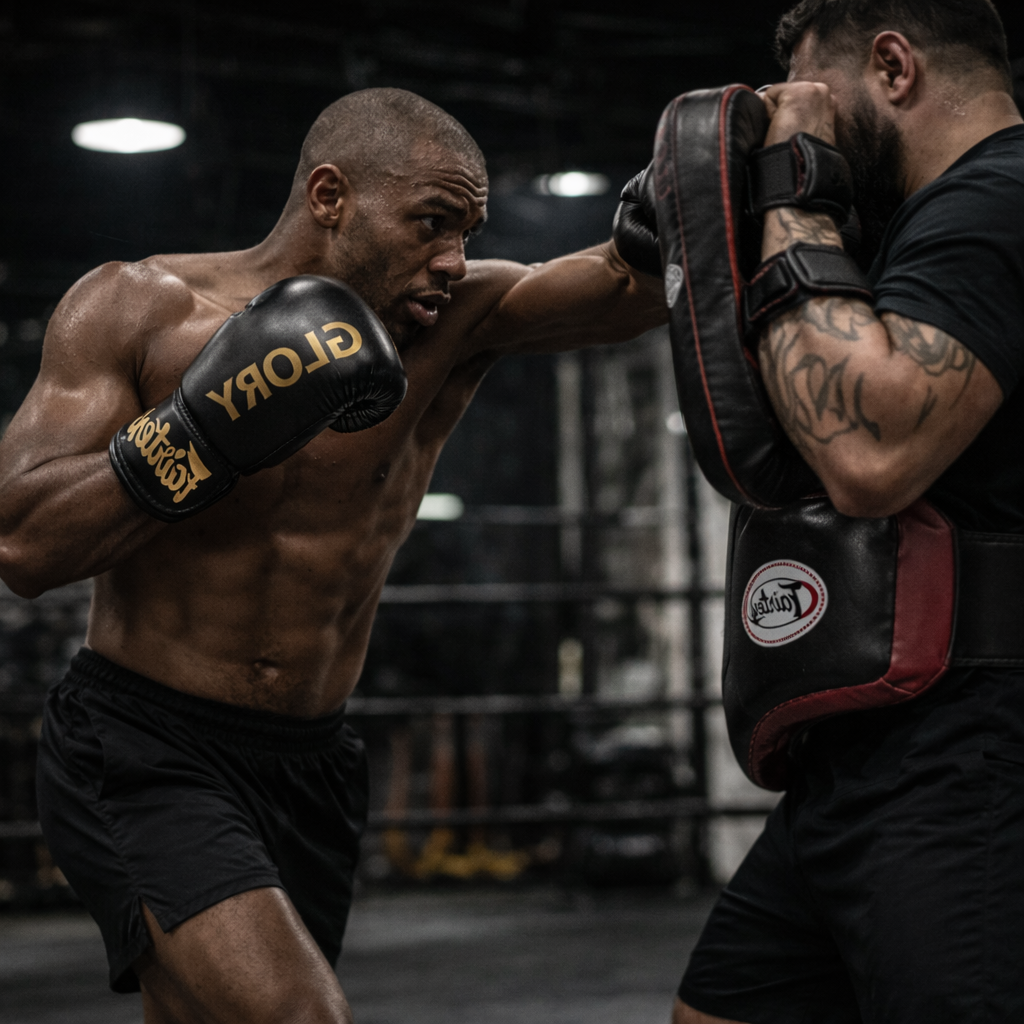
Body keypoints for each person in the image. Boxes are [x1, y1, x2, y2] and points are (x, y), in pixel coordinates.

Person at [0, 88, 665, 1023]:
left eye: (466, 232)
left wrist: (694, 200)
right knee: (301, 1016)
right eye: (430, 223)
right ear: (329, 197)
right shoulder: (137, 306)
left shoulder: (456, 320)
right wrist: (202, 431)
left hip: (310, 764)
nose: (453, 259)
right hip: (144, 747)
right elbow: (22, 542)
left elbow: (629, 286)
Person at [672, 1, 1024, 1022]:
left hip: (971, 754)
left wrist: (795, 183)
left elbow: (871, 455)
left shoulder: (998, 198)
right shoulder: (925, 219)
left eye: (812, 93)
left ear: (893, 66)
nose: (799, 114)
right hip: (879, 743)